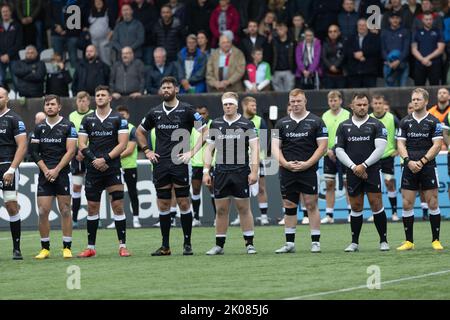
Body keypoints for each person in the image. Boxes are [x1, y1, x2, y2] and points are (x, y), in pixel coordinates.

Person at [136, 76, 208, 256]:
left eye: (169, 87)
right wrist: (147, 151)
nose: (166, 90)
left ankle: (187, 244)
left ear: (176, 89)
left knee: (184, 202)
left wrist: (192, 152)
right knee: (163, 204)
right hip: (160, 164)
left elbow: (206, 131)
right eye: (163, 87)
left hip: (179, 163)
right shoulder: (154, 112)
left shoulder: (187, 110)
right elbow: (139, 131)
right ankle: (165, 246)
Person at [272, 89, 328, 254]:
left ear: (305, 102)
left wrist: (307, 164)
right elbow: (275, 147)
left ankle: (315, 242)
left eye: (299, 101)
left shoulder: (317, 121)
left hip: (308, 170)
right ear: (289, 103)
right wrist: (284, 164)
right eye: (292, 101)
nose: (295, 104)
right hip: (287, 170)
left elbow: (323, 147)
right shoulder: (280, 123)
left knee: (311, 204)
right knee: (289, 205)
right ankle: (289, 243)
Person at [77, 85, 130, 258]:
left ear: (109, 99)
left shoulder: (118, 119)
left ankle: (123, 246)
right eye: (97, 95)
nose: (99, 97)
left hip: (112, 168)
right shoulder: (87, 119)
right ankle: (91, 247)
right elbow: (82, 144)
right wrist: (94, 160)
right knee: (92, 208)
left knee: (117, 205)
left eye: (103, 95)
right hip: (93, 169)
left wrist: (105, 159)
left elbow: (122, 144)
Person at [203, 91, 259, 255]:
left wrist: (254, 171)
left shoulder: (246, 124)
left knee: (243, 207)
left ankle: (249, 243)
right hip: (221, 171)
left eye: (230, 104)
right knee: (221, 209)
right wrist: (206, 171)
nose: (228, 107)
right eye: (225, 104)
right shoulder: (216, 124)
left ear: (236, 105)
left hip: (241, 171)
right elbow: (209, 149)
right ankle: (219, 245)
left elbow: (255, 149)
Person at [335, 93, 389, 252]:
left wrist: (364, 165)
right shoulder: (343, 126)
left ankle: (383, 240)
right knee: (356, 206)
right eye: (359, 105)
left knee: (376, 203)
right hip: (352, 171)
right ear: (352, 106)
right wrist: (354, 167)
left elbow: (381, 148)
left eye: (365, 105)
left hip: (372, 170)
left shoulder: (377, 124)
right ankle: (354, 242)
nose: (362, 107)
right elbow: (339, 149)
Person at [30, 95, 77, 259]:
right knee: (42, 211)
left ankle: (67, 247)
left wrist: (56, 170)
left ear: (59, 107)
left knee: (65, 210)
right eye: (47, 104)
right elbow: (34, 152)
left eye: (52, 104)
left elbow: (71, 151)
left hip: (62, 173)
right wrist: (45, 170)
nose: (49, 107)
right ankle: (45, 248)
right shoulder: (39, 127)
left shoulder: (68, 125)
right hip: (45, 174)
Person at [396, 88, 444, 251]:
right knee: (407, 204)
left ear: (425, 101)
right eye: (413, 99)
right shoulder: (404, 122)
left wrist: (422, 161)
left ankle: (435, 240)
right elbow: (400, 144)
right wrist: (408, 161)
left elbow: (437, 145)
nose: (415, 102)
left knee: (432, 202)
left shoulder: (434, 122)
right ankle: (409, 241)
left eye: (418, 99)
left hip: (428, 165)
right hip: (409, 166)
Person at [230, 96, 269, 226]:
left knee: (261, 188)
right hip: (240, 160)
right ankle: (240, 216)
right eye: (252, 106)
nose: (255, 108)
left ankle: (264, 216)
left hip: (257, 159)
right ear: (244, 106)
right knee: (238, 189)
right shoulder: (237, 120)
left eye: (255, 106)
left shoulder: (260, 121)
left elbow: (263, 142)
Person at [0, 86, 27, 260]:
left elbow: (23, 146)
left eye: (0, 96)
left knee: (11, 206)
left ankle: (16, 248)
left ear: (7, 98)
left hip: (6, 166)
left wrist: (11, 169)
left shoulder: (14, 119)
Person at [367, 95, 400, 222]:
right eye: (375, 103)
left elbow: (401, 133)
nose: (378, 105)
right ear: (372, 104)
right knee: (374, 186)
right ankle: (375, 213)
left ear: (383, 104)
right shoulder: (368, 118)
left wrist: (397, 148)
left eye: (380, 103)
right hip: (373, 157)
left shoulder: (392, 118)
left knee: (389, 183)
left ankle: (394, 212)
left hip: (387, 156)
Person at [106, 105, 141, 229]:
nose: (122, 116)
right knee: (114, 194)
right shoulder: (113, 127)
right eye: (120, 114)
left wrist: (113, 156)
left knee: (132, 192)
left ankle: (136, 218)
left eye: (124, 114)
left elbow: (130, 149)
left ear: (128, 115)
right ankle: (115, 219)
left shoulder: (132, 129)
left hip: (129, 166)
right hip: (115, 166)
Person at [321, 91, 351, 224]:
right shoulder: (324, 116)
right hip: (329, 155)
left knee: (347, 183)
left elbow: (349, 135)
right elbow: (322, 136)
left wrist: (339, 150)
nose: (333, 103)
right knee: (329, 184)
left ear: (340, 101)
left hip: (344, 154)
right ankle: (329, 215)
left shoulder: (347, 115)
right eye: (330, 101)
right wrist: (327, 150)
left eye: (335, 100)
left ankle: (351, 213)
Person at [69, 91, 94, 229]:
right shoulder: (72, 116)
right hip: (77, 155)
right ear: (76, 102)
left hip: (91, 154)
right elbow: (72, 135)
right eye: (79, 100)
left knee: (93, 187)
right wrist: (77, 151)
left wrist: (86, 151)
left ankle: (95, 216)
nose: (82, 102)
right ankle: (75, 219)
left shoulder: (94, 114)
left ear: (88, 102)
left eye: (84, 100)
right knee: (77, 187)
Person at [189, 105, 215, 227]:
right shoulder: (192, 127)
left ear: (207, 113)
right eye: (199, 114)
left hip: (210, 164)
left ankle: (216, 217)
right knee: (195, 190)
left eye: (204, 113)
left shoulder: (212, 125)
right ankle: (195, 217)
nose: (202, 116)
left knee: (213, 189)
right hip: (196, 164)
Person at [411, 11, 445, 86]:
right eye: (426, 19)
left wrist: (427, 58)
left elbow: (440, 49)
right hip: (420, 64)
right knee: (419, 89)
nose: (429, 21)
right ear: (423, 20)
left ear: (433, 20)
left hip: (434, 64)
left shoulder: (438, 32)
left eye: (430, 19)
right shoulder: (417, 32)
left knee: (435, 88)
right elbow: (414, 49)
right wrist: (423, 60)